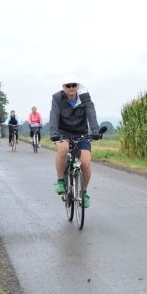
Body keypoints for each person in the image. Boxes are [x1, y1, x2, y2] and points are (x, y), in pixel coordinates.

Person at [49, 75, 101, 208]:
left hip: (81, 132)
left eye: (74, 85)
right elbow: (54, 115)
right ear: (64, 87)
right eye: (68, 86)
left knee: (86, 164)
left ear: (78, 86)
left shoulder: (85, 98)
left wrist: (95, 131)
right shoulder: (57, 98)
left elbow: (91, 114)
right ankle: (61, 180)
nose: (71, 88)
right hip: (63, 132)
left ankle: (83, 193)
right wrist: (54, 133)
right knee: (63, 149)